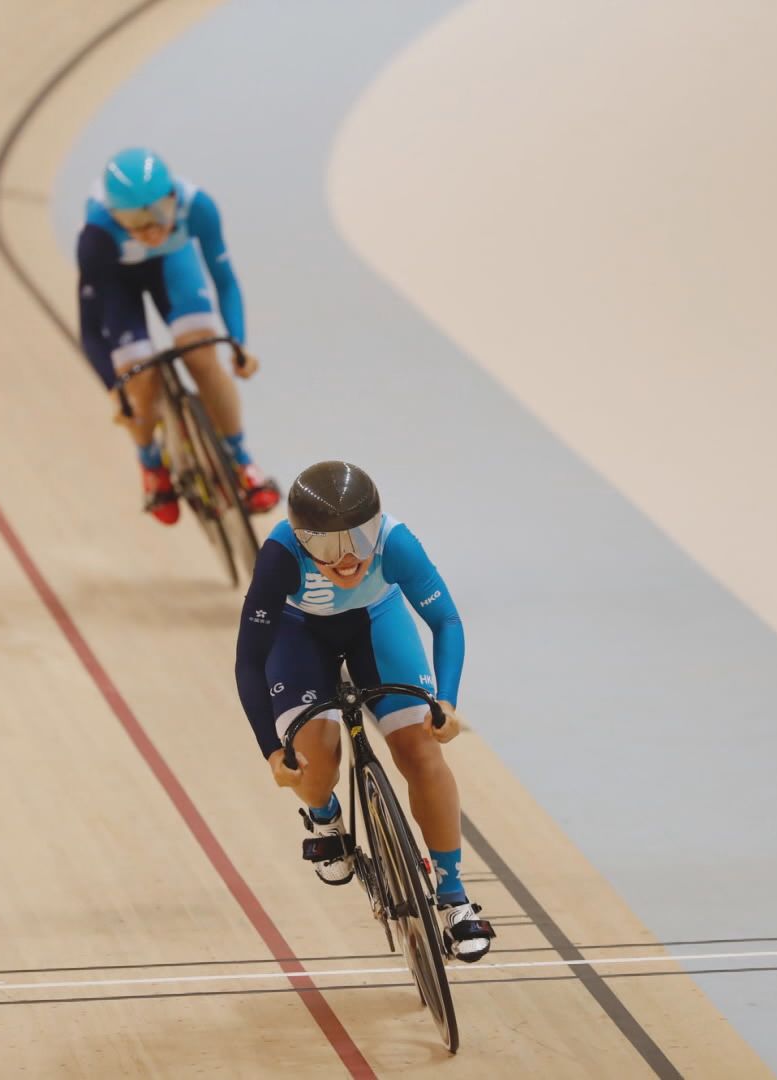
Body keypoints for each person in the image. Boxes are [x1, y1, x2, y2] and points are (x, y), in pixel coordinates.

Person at [233, 460, 494, 962]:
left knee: (422, 751)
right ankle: (324, 816)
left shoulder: (396, 544)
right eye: (329, 546)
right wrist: (271, 751)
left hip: (377, 623)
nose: (349, 557)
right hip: (299, 635)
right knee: (314, 768)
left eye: (360, 536)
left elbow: (445, 619)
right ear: (302, 540)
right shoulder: (280, 558)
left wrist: (447, 699)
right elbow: (249, 659)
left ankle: (454, 895)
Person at [75, 147, 280, 524]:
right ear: (115, 217)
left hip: (173, 266)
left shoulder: (198, 207)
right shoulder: (97, 238)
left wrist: (237, 343)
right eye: (136, 221)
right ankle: (152, 465)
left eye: (158, 213)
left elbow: (225, 281)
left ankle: (242, 460)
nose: (152, 229)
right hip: (119, 284)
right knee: (138, 379)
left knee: (202, 355)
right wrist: (113, 387)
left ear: (173, 198)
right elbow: (90, 327)